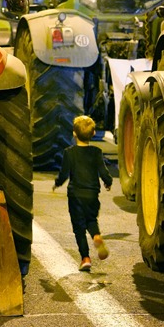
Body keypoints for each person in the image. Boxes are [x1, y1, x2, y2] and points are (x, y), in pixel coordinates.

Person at [52, 115, 113, 272]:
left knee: (79, 227)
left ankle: (85, 258)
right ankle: (96, 236)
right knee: (91, 220)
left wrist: (57, 183)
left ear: (74, 133)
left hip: (75, 195)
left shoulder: (69, 153)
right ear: (93, 133)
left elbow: (64, 174)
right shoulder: (96, 152)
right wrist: (108, 182)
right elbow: (103, 172)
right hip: (92, 194)